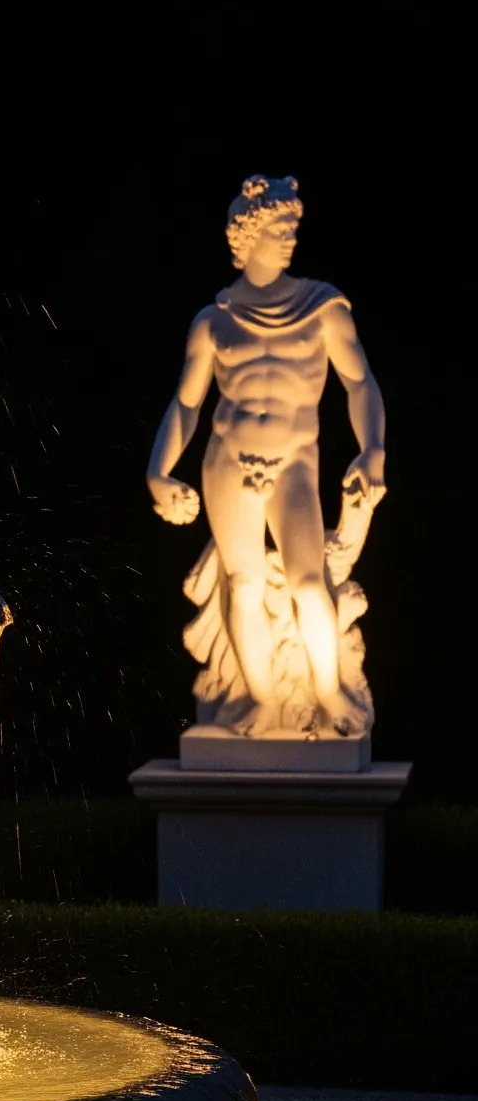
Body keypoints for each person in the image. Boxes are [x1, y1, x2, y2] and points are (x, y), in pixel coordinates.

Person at [145, 174, 386, 737]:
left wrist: (373, 450)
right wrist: (159, 472)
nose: (289, 240)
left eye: (293, 229)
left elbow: (360, 383)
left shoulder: (323, 307)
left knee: (309, 583)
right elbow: (186, 404)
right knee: (244, 583)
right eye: (280, 229)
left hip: (296, 462)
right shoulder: (214, 321)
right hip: (227, 461)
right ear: (247, 233)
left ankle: (329, 695)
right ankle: (258, 700)